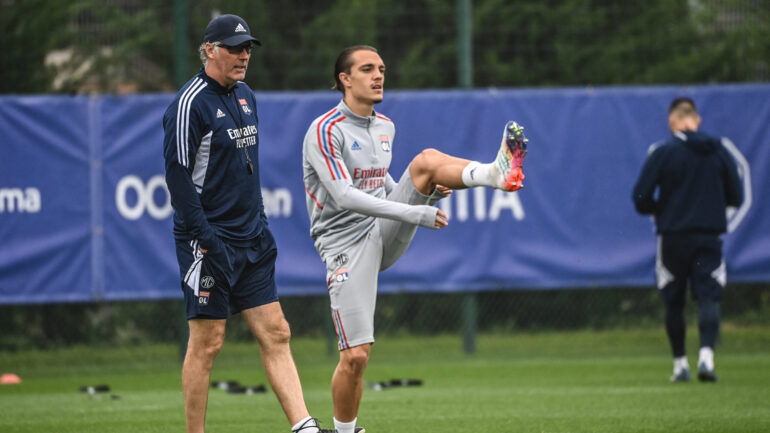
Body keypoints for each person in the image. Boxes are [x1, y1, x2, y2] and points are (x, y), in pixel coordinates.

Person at [301, 45, 529, 433]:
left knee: (424, 163)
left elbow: (384, 184)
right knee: (356, 357)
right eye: (368, 69)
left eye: (382, 69)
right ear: (345, 79)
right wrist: (415, 212)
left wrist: (428, 192)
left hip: (381, 230)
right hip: (344, 245)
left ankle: (495, 173)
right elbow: (344, 196)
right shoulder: (325, 130)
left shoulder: (385, 126)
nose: (378, 76)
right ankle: (344, 432)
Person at [163, 14, 330, 433]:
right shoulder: (189, 105)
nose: (244, 55)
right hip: (207, 241)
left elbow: (245, 169)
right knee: (208, 342)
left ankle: (303, 427)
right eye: (235, 48)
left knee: (276, 331)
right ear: (210, 50)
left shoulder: (246, 96)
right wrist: (207, 240)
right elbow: (179, 183)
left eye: (248, 48)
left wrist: (259, 221)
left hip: (251, 238)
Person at [632, 97, 746, 383]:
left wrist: (660, 211)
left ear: (673, 122)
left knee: (674, 300)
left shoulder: (664, 151)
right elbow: (738, 196)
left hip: (673, 239)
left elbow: (641, 196)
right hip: (708, 238)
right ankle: (706, 357)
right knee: (708, 296)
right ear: (697, 120)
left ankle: (680, 364)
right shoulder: (719, 151)